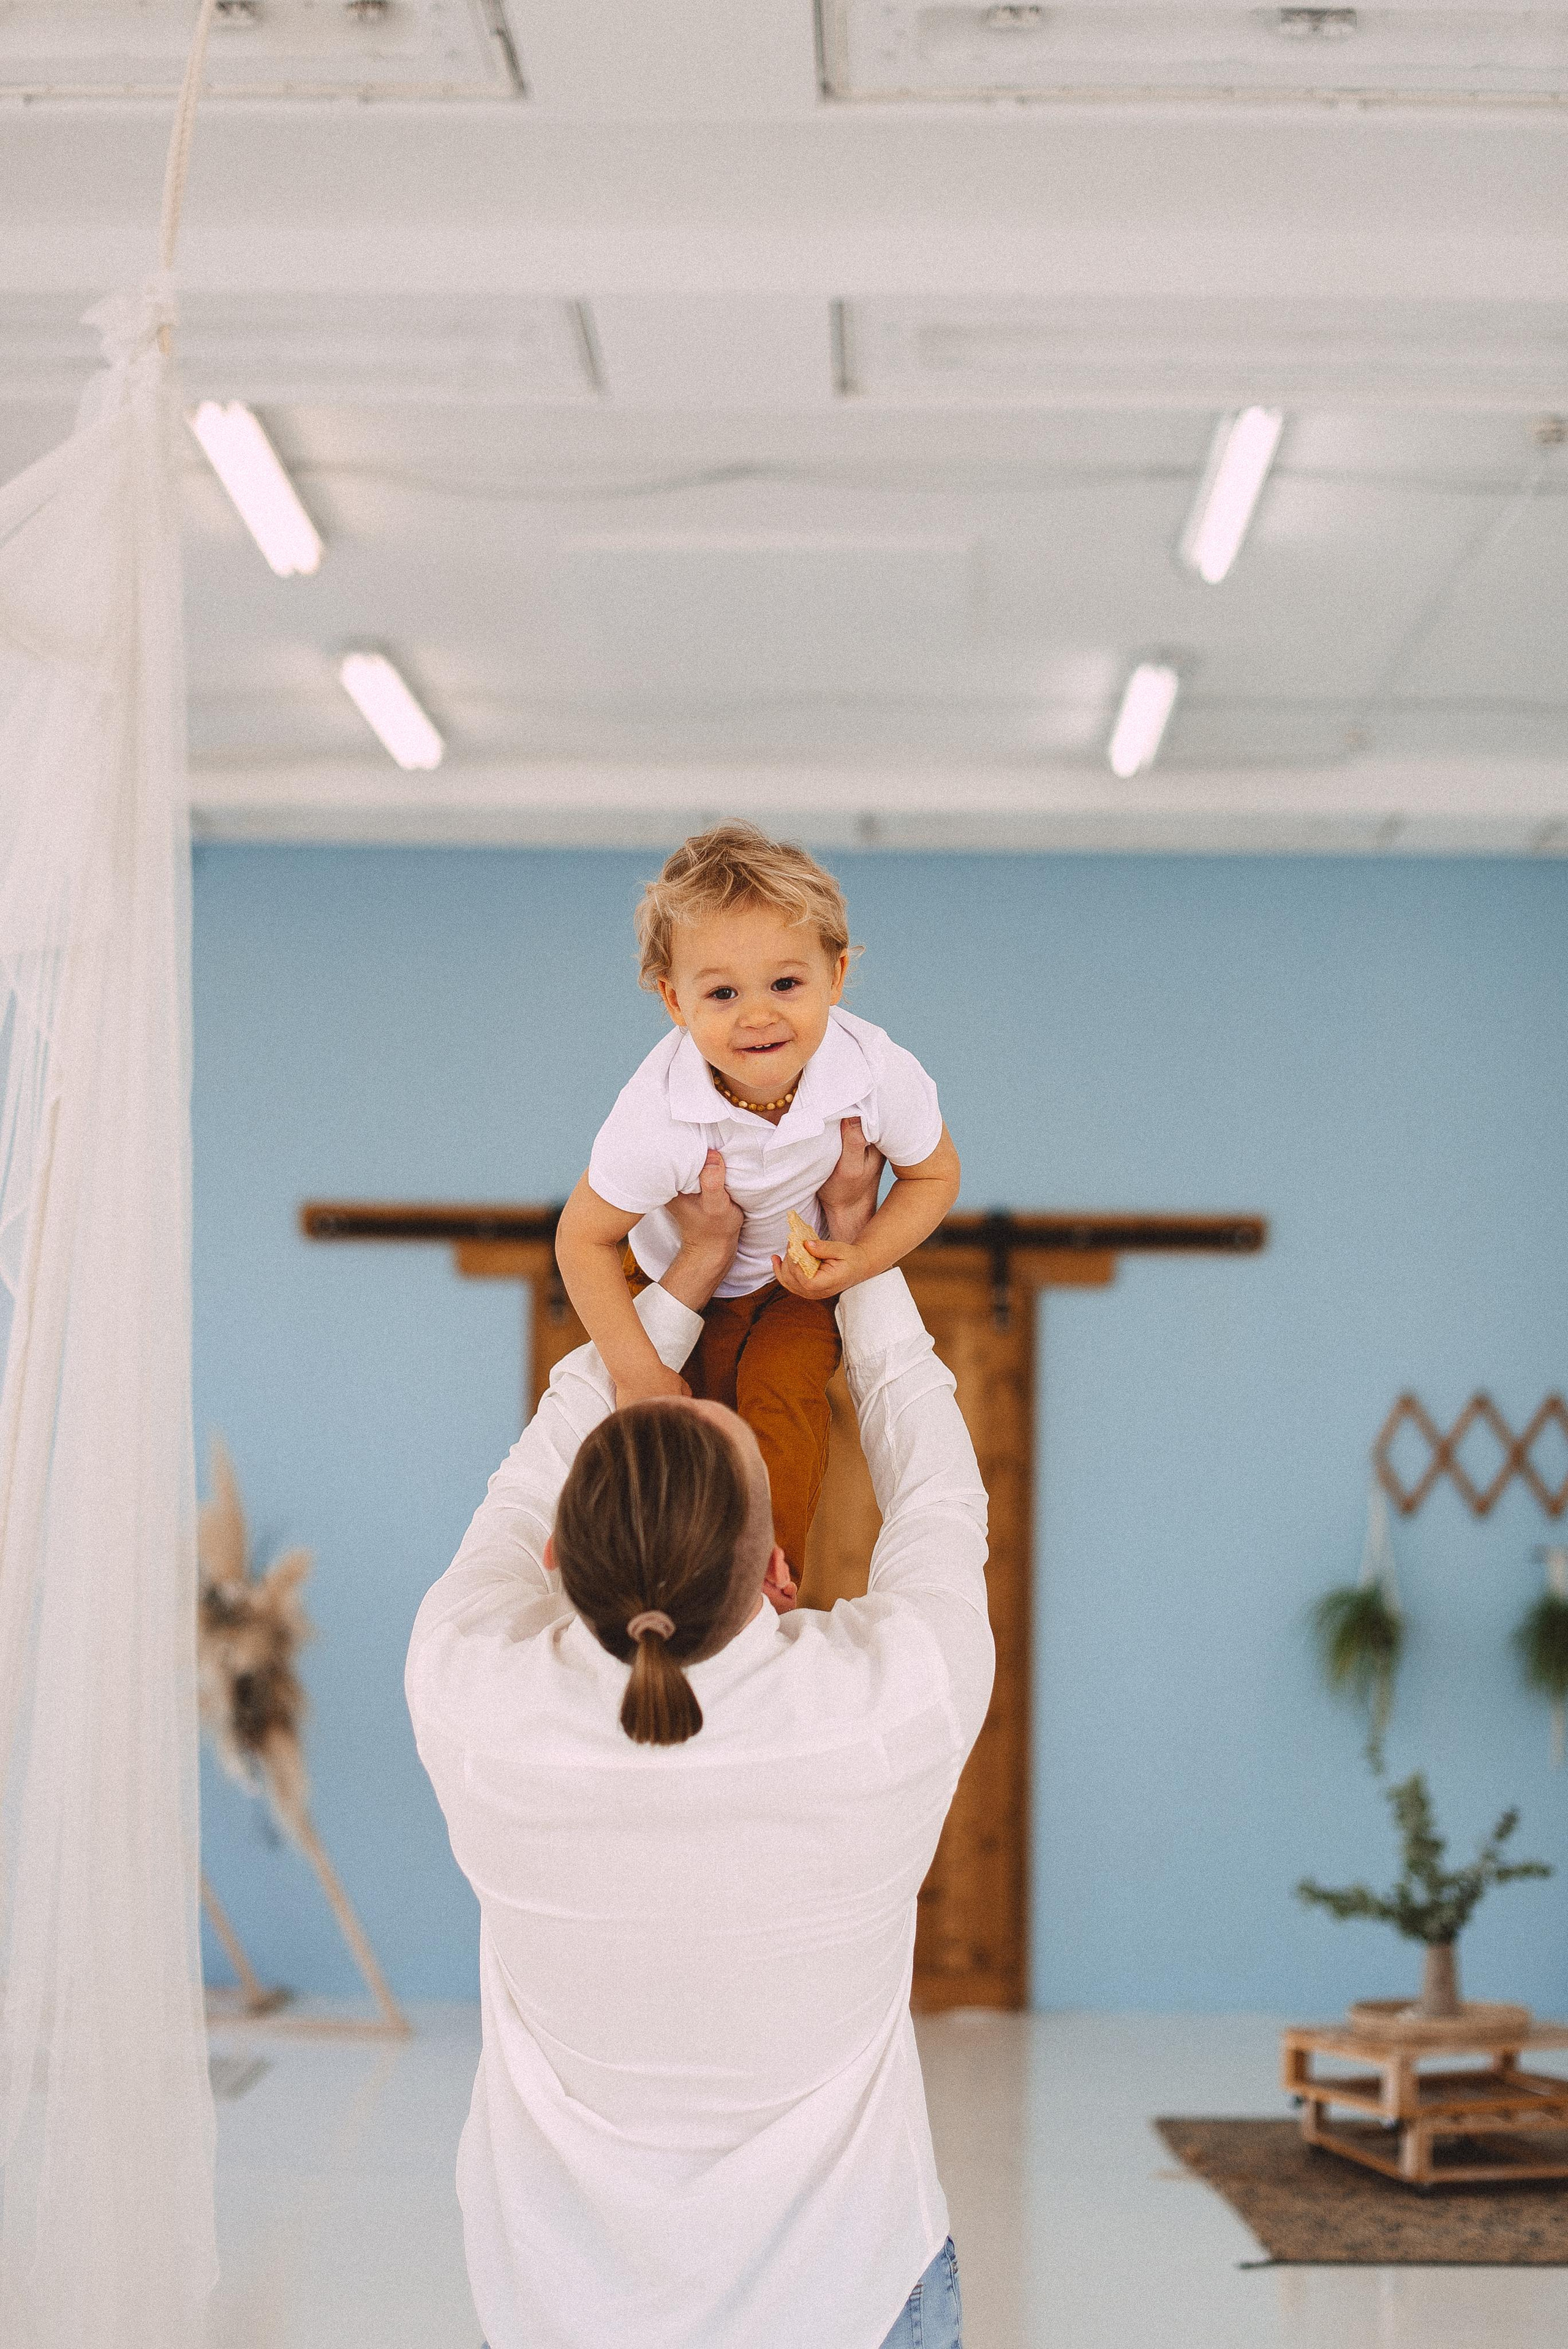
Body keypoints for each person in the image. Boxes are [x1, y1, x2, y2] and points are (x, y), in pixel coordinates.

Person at [406, 1119, 992, 2349]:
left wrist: (677, 1287)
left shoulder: (475, 1700)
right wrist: (849, 1250)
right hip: (855, 2299)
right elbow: (935, 1494)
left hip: (556, 2312)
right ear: (781, 1573)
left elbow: (526, 1483)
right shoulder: (884, 1708)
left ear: (564, 1559)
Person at [554, 822, 961, 1590]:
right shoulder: (657, 1115)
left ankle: (771, 1577)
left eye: (785, 984)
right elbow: (581, 1240)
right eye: (721, 992)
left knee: (784, 1403)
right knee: (681, 1431)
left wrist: (862, 1258)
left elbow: (935, 1176)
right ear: (675, 1001)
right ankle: (661, 1580)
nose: (757, 1015)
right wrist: (639, 1371)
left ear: (836, 977)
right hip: (678, 1282)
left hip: (791, 1280)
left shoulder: (874, 1071)